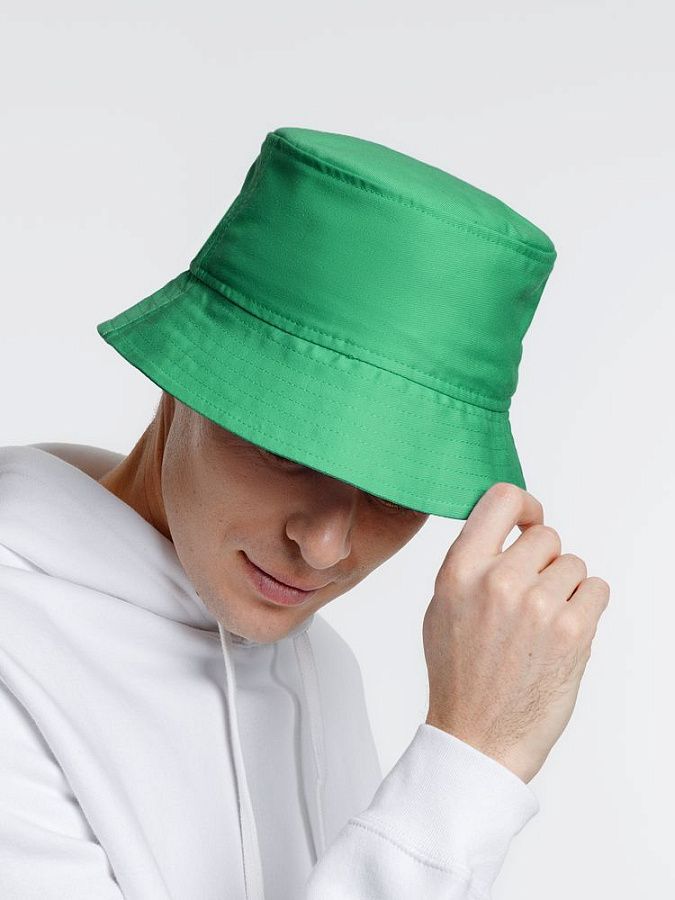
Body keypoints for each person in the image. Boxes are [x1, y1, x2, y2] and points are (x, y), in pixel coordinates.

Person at [0, 126, 610, 899]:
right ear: (183, 375)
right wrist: (470, 761)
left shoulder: (320, 668)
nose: (323, 548)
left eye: (395, 489)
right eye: (286, 451)